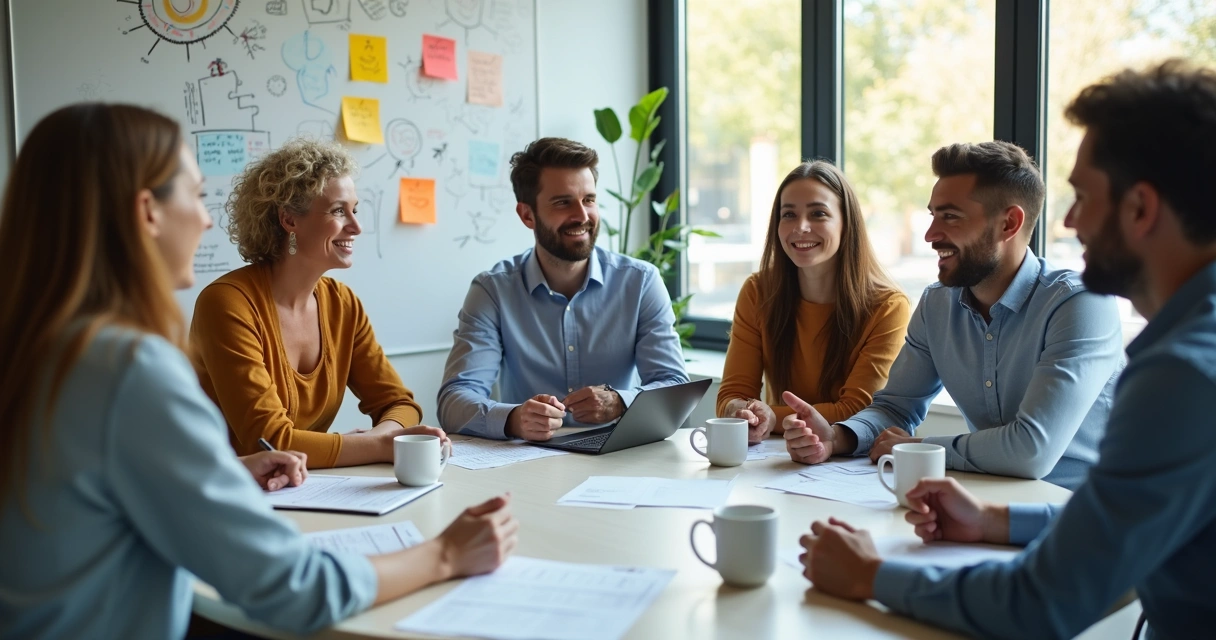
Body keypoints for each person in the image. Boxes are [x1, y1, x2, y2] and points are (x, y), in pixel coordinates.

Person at [0, 104, 517, 639]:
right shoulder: (130, 368)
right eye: (197, 195)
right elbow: (289, 587)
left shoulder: (44, 350)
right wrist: (445, 554)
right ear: (148, 212)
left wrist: (215, 476)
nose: (205, 218)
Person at [800, 60, 1216, 640]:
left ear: (1141, 208)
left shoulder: (1183, 371)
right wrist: (994, 520)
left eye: (1082, 197)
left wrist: (871, 575)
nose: (1070, 221)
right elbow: (1119, 517)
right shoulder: (1189, 342)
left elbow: (1042, 601)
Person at [783, 140, 1124, 489]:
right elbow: (896, 408)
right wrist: (837, 437)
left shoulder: (1080, 304)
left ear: (1009, 223)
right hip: (987, 498)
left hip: (1083, 513)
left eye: (950, 217)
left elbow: (1031, 450)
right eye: (933, 216)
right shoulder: (937, 304)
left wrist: (920, 449)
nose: (930, 235)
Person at [190, 138, 447, 468]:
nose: (356, 226)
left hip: (304, 489)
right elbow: (270, 442)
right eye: (339, 211)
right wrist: (380, 446)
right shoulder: (226, 303)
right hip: (224, 493)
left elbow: (398, 401)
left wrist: (378, 438)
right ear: (289, 221)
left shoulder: (342, 304)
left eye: (355, 210)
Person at [437, 137, 689, 441]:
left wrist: (619, 402)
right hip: (530, 462)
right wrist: (513, 419)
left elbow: (674, 385)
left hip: (622, 455)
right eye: (563, 202)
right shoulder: (493, 291)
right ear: (527, 215)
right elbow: (454, 400)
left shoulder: (641, 282)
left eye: (589, 200)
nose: (582, 216)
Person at [716, 161, 909, 446]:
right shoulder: (757, 292)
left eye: (818, 213)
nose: (801, 227)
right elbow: (732, 394)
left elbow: (857, 410)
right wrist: (740, 411)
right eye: (789, 214)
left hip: (853, 464)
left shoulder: (889, 306)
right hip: (776, 458)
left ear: (847, 222)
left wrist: (771, 417)